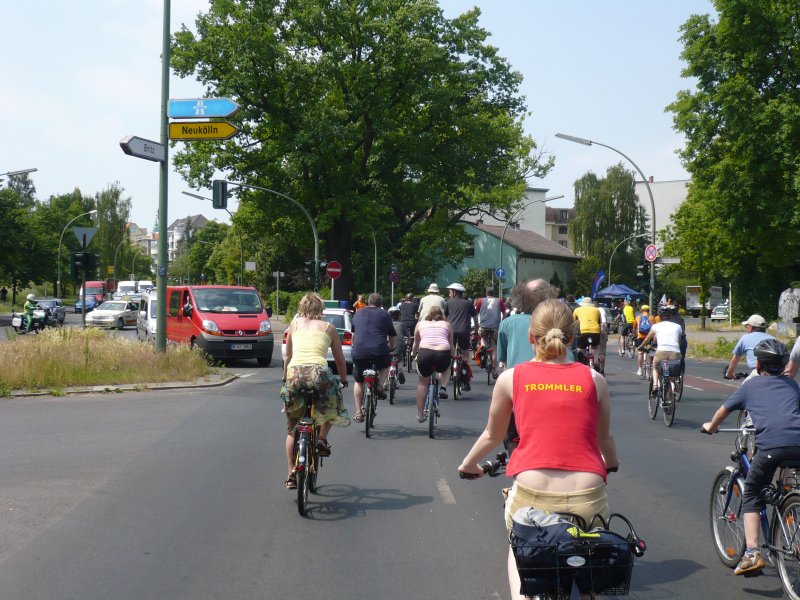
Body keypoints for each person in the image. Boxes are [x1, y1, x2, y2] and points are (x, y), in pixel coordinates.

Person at [459, 299, 618, 599]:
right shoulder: (595, 380)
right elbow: (604, 438)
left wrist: (469, 465)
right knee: (589, 563)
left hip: (533, 495)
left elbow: (492, 437)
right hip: (588, 494)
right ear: (572, 337)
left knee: (518, 546)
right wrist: (612, 463)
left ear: (531, 337)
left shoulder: (511, 378)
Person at [702, 339, 800, 575]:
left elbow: (722, 412)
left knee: (753, 494)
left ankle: (752, 553)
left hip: (771, 449)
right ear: (784, 364)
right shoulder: (792, 385)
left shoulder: (750, 386)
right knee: (785, 483)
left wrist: (711, 426)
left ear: (758, 364)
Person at [281, 293, 350, 489]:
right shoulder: (329, 328)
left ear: (301, 307)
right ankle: (321, 438)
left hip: (295, 374)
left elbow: (288, 357)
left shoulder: (294, 325)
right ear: (321, 309)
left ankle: (291, 473)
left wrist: (285, 379)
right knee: (333, 404)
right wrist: (343, 380)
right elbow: (339, 360)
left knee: (292, 427)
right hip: (319, 373)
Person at [351, 293, 397, 422]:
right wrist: (391, 348)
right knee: (386, 365)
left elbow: (354, 336)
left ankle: (358, 412)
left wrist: (356, 347)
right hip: (379, 351)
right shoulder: (385, 315)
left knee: (359, 381)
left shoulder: (358, 313)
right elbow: (392, 337)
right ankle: (380, 386)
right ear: (380, 304)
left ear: (367, 302)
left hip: (359, 352)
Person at [412, 305, 453, 422]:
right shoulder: (447, 324)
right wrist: (452, 355)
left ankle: (420, 415)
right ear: (441, 315)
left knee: (423, 382)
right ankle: (443, 388)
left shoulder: (420, 324)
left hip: (425, 353)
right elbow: (450, 344)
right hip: (442, 352)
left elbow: (416, 344)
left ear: (428, 315)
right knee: (446, 369)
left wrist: (413, 354)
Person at [640, 305, 683, 394]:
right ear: (670, 316)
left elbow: (647, 339)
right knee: (673, 369)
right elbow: (679, 342)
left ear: (659, 316)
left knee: (655, 366)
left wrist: (641, 346)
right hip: (675, 352)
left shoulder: (656, 326)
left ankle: (655, 385)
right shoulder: (678, 326)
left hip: (661, 352)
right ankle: (673, 383)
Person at [445, 282, 477, 392]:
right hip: (464, 331)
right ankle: (465, 382)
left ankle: (448, 372)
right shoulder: (468, 303)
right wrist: (476, 331)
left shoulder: (448, 303)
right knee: (465, 357)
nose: (449, 293)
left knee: (449, 353)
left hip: (451, 332)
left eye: (450, 291)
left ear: (454, 293)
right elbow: (475, 318)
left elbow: (445, 320)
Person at [726, 314, 775, 381]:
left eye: (747, 326)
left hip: (759, 372)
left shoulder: (745, 338)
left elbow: (735, 359)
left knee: (743, 390)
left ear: (751, 327)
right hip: (777, 373)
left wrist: (729, 373)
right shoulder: (773, 339)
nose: (746, 328)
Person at [475, 286, 506, 379]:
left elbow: (476, 313)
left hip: (483, 326)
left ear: (486, 293)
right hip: (495, 327)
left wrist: (477, 326)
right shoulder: (499, 300)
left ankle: (483, 351)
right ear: (494, 293)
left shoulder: (480, 300)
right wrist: (502, 322)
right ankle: (494, 371)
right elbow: (504, 313)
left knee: (482, 339)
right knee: (494, 348)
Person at [572, 296, 601, 369]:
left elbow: (572, 322)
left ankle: (582, 362)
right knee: (595, 347)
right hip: (595, 332)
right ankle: (596, 362)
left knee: (581, 348)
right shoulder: (597, 310)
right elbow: (599, 322)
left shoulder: (577, 310)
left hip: (584, 332)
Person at [634, 305, 658, 376]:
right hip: (649, 337)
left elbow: (634, 328)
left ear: (641, 310)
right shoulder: (652, 317)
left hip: (640, 336)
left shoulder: (638, 317)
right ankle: (651, 366)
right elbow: (654, 328)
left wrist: (634, 335)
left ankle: (640, 369)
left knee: (640, 352)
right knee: (650, 352)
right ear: (648, 310)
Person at [397, 292, 419, 365]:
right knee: (413, 336)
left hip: (403, 322)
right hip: (412, 322)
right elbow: (417, 312)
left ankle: (403, 354)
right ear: (413, 298)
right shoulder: (415, 305)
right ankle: (413, 350)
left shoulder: (401, 305)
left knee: (403, 337)